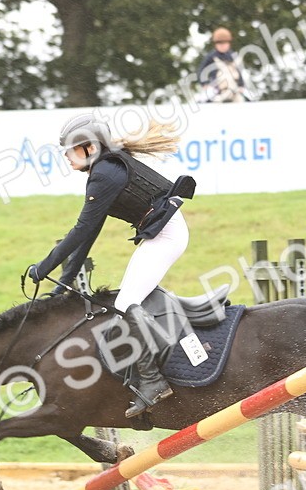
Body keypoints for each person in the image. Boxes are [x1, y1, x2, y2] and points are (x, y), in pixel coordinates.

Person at [26, 114, 194, 418]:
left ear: (89, 148)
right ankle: (147, 374)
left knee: (127, 301)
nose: (65, 157)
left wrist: (44, 266)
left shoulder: (105, 174)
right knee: (125, 301)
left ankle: (154, 380)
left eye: (70, 150)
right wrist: (62, 280)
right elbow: (90, 231)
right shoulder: (105, 170)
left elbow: (80, 229)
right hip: (164, 232)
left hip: (167, 235)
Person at [197, 27, 249, 103]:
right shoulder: (211, 57)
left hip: (233, 86)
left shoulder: (232, 56)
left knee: (245, 98)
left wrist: (241, 85)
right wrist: (204, 83)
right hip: (215, 86)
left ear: (229, 44)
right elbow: (201, 70)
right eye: (220, 43)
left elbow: (238, 71)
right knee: (205, 98)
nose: (222, 46)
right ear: (215, 44)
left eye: (224, 43)